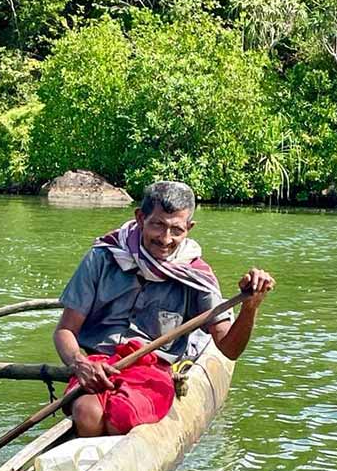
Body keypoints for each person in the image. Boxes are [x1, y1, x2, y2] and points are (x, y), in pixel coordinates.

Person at [54, 180, 275, 437]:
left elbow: (229, 348)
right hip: (99, 365)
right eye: (157, 225)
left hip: (153, 371)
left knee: (121, 418)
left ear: (189, 228)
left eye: (176, 230)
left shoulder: (197, 276)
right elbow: (65, 331)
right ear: (140, 218)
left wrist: (250, 307)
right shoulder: (103, 256)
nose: (165, 239)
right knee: (86, 413)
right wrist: (79, 364)